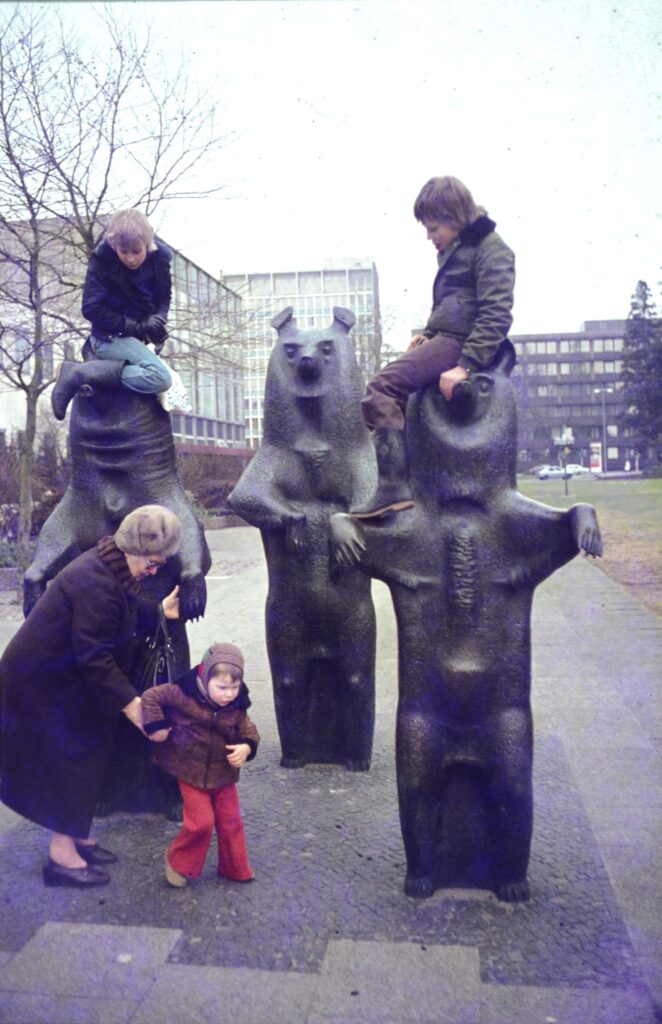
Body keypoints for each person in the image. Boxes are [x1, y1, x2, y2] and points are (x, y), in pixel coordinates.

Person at [0, 505, 181, 887]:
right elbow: (95, 655)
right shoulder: (95, 580)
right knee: (72, 758)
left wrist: (159, 610)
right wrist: (133, 705)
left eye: (160, 564)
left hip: (62, 676)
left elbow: (125, 609)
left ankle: (77, 837)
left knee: (89, 751)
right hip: (40, 685)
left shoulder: (110, 565)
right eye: (152, 563)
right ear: (131, 549)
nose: (155, 571)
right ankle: (61, 860)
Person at [351, 176, 516, 518]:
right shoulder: (456, 249)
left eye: (434, 228)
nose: (429, 236)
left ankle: (393, 487)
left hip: (460, 345)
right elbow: (453, 302)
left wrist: (465, 364)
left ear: (456, 218)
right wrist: (426, 333)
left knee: (381, 388)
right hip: (445, 338)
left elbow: (496, 314)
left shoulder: (491, 249)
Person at [141, 643, 259, 888]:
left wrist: (246, 747)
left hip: (224, 774)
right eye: (222, 688)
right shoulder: (183, 694)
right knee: (201, 823)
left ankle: (234, 867)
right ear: (205, 680)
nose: (229, 694)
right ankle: (177, 862)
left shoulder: (237, 707)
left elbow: (249, 729)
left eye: (234, 688)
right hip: (191, 773)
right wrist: (156, 727)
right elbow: (151, 696)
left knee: (231, 822)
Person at [51, 209, 173, 421]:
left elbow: (164, 297)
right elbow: (91, 308)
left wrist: (159, 318)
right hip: (109, 337)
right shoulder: (101, 261)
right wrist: (134, 326)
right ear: (114, 245)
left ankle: (98, 372)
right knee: (160, 378)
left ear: (148, 244)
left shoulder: (160, 259)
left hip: (139, 338)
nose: (130, 258)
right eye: (123, 251)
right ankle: (79, 373)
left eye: (137, 251)